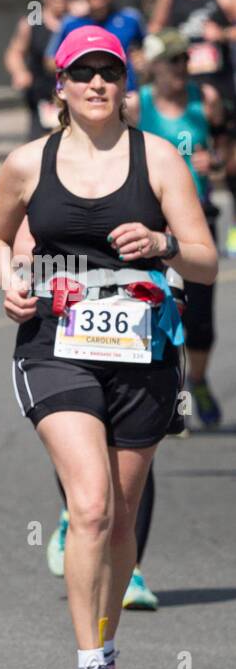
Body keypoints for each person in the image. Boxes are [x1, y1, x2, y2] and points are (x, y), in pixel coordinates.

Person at [0, 25, 216, 669]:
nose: (95, 84)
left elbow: (206, 259)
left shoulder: (161, 160)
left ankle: (106, 648)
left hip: (142, 350)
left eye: (108, 73)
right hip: (56, 342)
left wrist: (164, 244)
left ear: (125, 84)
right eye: (81, 73)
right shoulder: (28, 162)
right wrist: (10, 278)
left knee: (118, 509)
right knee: (88, 504)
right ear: (60, 86)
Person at [134, 27, 224, 431]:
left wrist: (216, 165)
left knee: (200, 323)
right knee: (160, 313)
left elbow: (225, 150)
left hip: (196, 224)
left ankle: (199, 380)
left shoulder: (205, 101)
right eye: (172, 61)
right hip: (151, 226)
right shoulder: (138, 106)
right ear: (154, 66)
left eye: (185, 60)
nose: (180, 68)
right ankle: (175, 400)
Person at [149, 0, 236, 263]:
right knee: (183, 157)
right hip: (178, 86)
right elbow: (155, 27)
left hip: (217, 88)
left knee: (227, 163)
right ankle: (184, 221)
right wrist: (169, 46)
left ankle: (225, 225)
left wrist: (223, 34)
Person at [48, 0, 147, 93]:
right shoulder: (71, 24)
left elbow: (149, 51)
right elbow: (50, 60)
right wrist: (78, 70)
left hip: (127, 94)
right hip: (85, 94)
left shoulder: (131, 19)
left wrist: (143, 60)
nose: (97, 3)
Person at [4, 0, 70, 141]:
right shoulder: (32, 23)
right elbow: (14, 52)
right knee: (41, 144)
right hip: (42, 97)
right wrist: (20, 72)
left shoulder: (75, 22)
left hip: (70, 94)